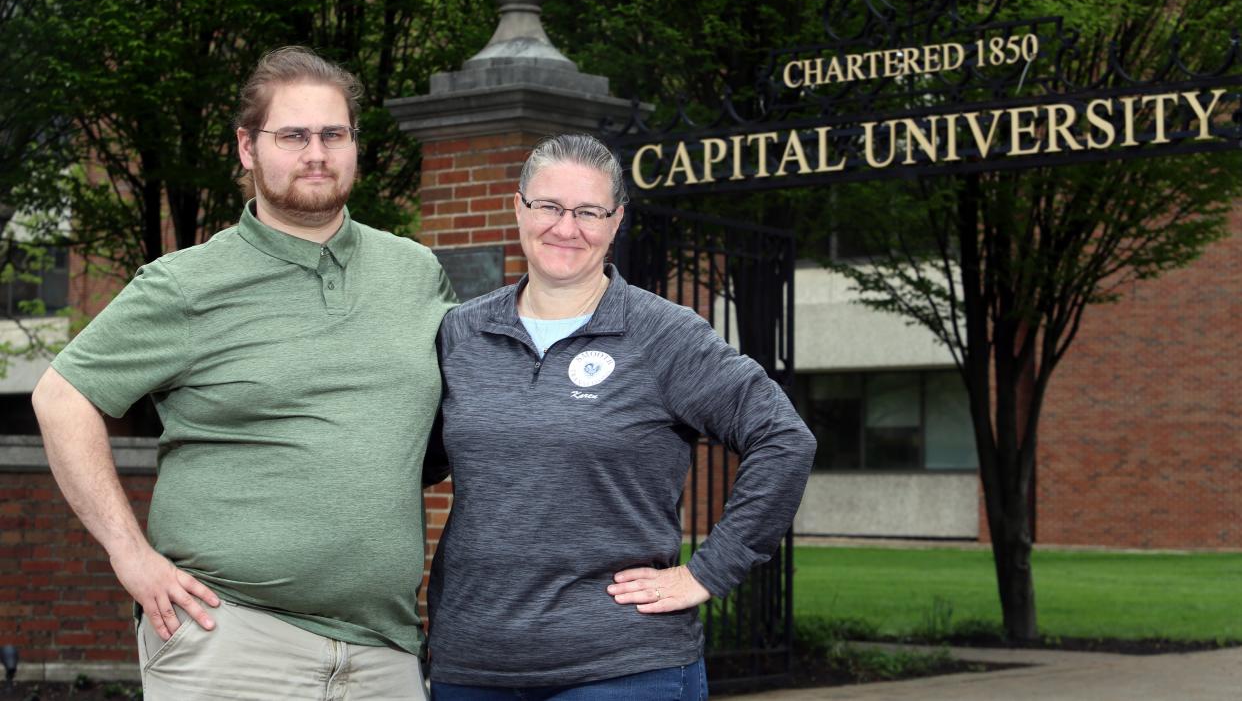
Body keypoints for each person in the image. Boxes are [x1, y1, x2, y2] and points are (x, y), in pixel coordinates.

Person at [32, 46, 455, 701]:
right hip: (229, 641)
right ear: (248, 148)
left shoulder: (415, 273)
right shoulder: (185, 284)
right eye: (292, 135)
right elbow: (62, 397)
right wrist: (130, 554)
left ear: (353, 146)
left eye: (333, 134)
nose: (316, 152)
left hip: (385, 650)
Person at [426, 133, 817, 699]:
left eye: (589, 211)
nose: (566, 227)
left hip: (623, 666)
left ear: (615, 222)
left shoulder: (663, 334)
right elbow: (416, 460)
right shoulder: (462, 333)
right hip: (473, 665)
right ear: (518, 207)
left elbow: (784, 439)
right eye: (549, 207)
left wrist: (708, 571)